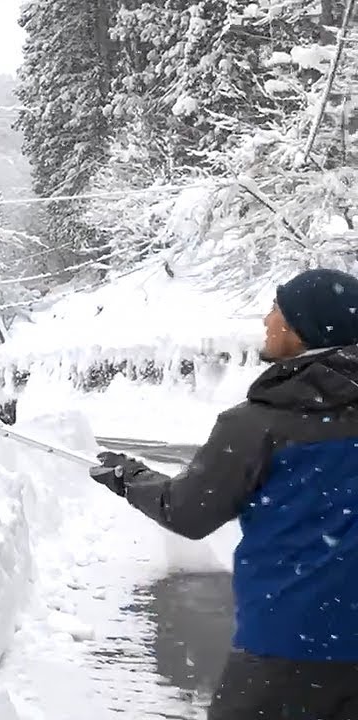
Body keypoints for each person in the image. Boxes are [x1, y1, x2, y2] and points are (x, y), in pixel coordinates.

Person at [91, 267, 358, 720]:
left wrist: (129, 477)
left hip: (286, 647)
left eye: (278, 309)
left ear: (304, 330)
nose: (266, 319)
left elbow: (188, 512)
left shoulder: (257, 424)